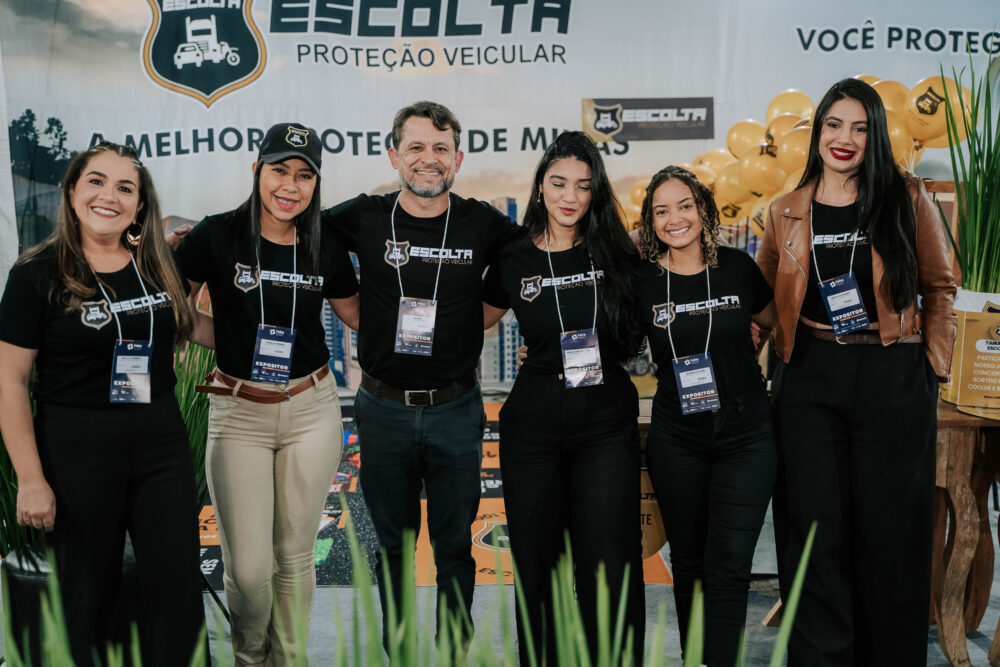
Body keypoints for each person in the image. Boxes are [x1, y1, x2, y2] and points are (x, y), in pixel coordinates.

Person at [758, 78, 957, 666]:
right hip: (809, 374)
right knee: (814, 530)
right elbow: (761, 302)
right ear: (818, 132)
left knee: (890, 532)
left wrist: (933, 366)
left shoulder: (906, 197)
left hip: (892, 373)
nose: (844, 138)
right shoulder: (785, 210)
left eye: (860, 127)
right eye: (833, 124)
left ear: (877, 136)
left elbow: (940, 286)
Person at [0, 141, 207, 665]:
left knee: (177, 588)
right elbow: (10, 381)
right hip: (77, 450)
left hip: (160, 443)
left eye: (125, 188)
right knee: (83, 595)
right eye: (96, 182)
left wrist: (270, 329)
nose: (109, 196)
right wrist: (31, 478)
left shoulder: (156, 264)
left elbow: (191, 326)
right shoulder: (36, 273)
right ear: (72, 192)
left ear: (140, 205)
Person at [322, 101, 518, 652]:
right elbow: (296, 228)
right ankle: (402, 652)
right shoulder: (363, 215)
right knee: (393, 548)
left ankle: (454, 650)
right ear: (393, 156)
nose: (428, 159)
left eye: (440, 148)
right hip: (383, 408)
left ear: (458, 158)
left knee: (454, 546)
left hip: (457, 408)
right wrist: (356, 311)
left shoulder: (484, 223)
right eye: (415, 147)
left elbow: (533, 258)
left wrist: (470, 324)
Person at [174, 123, 360, 666]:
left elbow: (355, 315)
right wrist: (230, 338)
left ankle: (290, 660)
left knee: (295, 557)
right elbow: (177, 311)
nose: (290, 186)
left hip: (311, 408)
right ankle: (250, 658)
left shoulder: (326, 241)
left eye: (304, 175)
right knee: (249, 568)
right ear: (256, 171)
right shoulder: (215, 235)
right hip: (239, 413)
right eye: (279, 170)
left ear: (316, 184)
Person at [482, 130, 645, 665]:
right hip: (533, 424)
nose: (570, 196)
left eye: (582, 184)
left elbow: (646, 324)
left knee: (609, 562)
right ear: (540, 187)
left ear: (595, 191)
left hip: (605, 422)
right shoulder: (513, 256)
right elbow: (472, 322)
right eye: (558, 183)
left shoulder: (618, 252)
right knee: (538, 563)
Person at [634, 165, 776, 667]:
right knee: (690, 561)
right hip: (678, 436)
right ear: (650, 222)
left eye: (685, 206)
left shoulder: (737, 268)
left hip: (746, 433)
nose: (675, 219)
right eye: (661, 211)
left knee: (730, 566)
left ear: (704, 210)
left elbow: (774, 321)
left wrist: (751, 342)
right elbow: (614, 342)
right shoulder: (643, 282)